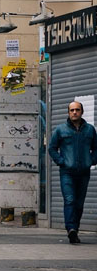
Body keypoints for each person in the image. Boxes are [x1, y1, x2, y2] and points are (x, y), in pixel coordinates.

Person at [49, 101, 97, 244]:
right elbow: (52, 148)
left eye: (77, 110)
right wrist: (61, 162)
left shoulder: (89, 130)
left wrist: (92, 160)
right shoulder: (60, 130)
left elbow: (96, 148)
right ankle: (71, 229)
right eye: (72, 110)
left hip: (84, 172)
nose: (74, 112)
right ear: (68, 113)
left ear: (82, 112)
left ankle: (75, 228)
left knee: (79, 203)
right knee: (70, 200)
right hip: (67, 172)